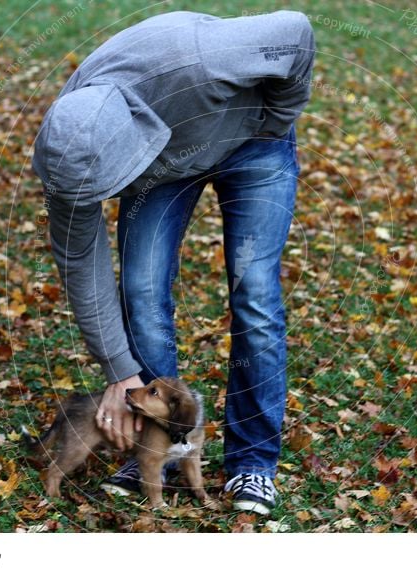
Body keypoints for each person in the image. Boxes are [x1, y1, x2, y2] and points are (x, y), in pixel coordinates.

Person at [32, 9, 315, 515]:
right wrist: (121, 375)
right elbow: (82, 265)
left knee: (254, 294)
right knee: (141, 291)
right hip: (164, 171)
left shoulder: (199, 62)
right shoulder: (70, 145)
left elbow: (295, 32)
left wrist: (274, 120)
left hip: (255, 144)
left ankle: (252, 464)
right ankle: (154, 451)